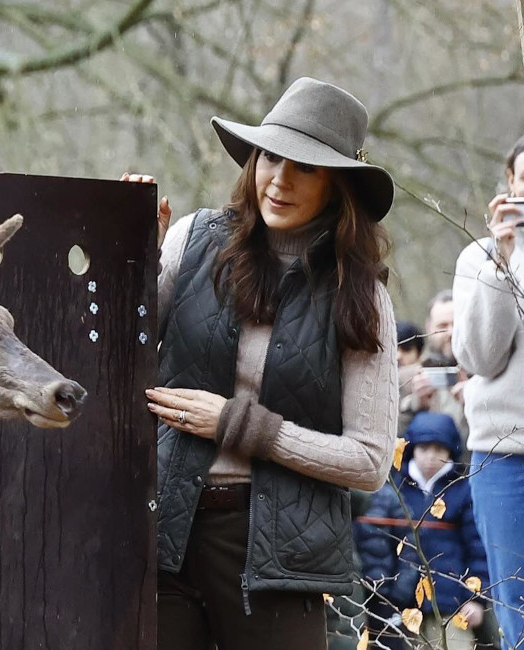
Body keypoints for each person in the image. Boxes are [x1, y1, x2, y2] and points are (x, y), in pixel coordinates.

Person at [131, 77, 400, 649]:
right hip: (164, 530)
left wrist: (240, 426)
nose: (278, 180)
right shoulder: (193, 240)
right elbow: (119, 353)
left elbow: (370, 461)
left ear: (338, 185)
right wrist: (134, 253)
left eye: (303, 167)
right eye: (269, 158)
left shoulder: (362, 295)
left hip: (279, 555)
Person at [452, 134, 524, 649]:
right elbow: (479, 357)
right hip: (504, 454)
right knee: (517, 609)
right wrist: (501, 263)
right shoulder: (479, 258)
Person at [354, 412, 489, 650]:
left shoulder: (463, 490)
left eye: (440, 449)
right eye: (424, 448)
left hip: (452, 603)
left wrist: (476, 600)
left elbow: (478, 549)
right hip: (399, 603)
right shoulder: (395, 487)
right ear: (411, 449)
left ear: (451, 452)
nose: (431, 456)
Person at [399, 291, 470, 456]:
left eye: (456, 324)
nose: (450, 332)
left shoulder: (485, 374)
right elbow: (388, 442)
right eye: (442, 326)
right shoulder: (405, 378)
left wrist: (475, 399)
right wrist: (415, 406)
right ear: (429, 327)